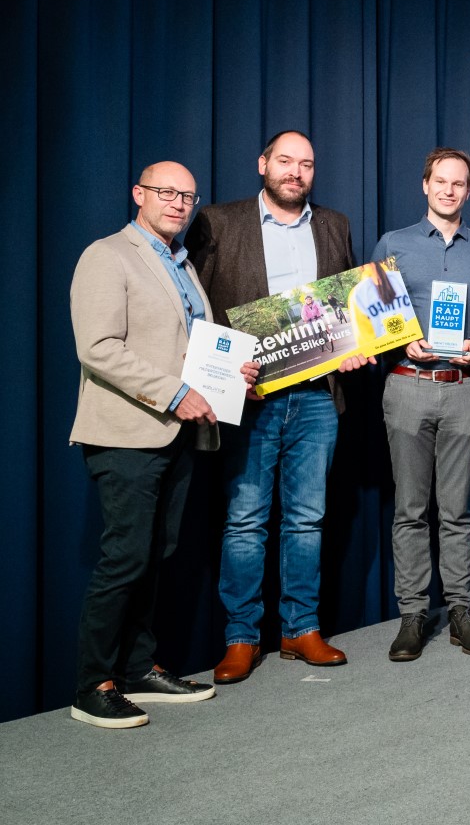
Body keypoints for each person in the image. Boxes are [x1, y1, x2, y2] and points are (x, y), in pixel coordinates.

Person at [67, 163, 258, 728]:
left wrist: (232, 377)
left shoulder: (183, 265)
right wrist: (176, 393)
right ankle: (91, 685)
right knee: (125, 557)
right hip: (126, 432)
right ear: (139, 194)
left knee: (155, 555)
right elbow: (98, 347)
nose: (178, 203)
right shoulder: (107, 255)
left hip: (177, 434)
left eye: (187, 196)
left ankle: (136, 668)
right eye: (166, 192)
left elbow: (192, 349)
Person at [188, 130, 367, 683]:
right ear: (262, 163)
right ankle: (241, 637)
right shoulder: (218, 222)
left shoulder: (334, 225)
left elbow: (347, 308)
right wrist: (222, 373)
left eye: (306, 164)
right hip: (251, 397)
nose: (296, 172)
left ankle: (300, 629)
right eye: (285, 161)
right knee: (245, 521)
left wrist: (354, 347)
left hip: (316, 397)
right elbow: (194, 306)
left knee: (307, 520)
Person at [371, 148, 470, 661]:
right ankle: (412, 615)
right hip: (407, 386)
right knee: (410, 509)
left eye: (459, 183)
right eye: (441, 181)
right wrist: (401, 341)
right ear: (426, 185)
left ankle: (461, 613)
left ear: (468, 191)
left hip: (464, 387)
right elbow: (373, 315)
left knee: (457, 511)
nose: (449, 190)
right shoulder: (393, 243)